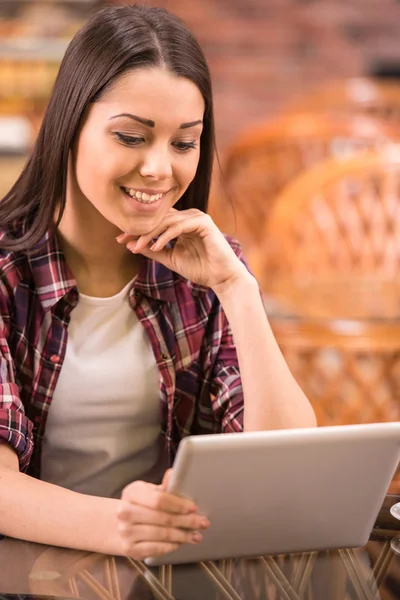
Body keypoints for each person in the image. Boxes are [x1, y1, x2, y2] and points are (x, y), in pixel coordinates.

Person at [0, 5, 316, 561]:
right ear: (68, 124)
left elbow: (286, 465)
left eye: (183, 143)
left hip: (166, 575)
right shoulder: (7, 274)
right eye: (130, 136)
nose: (158, 170)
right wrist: (123, 527)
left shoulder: (205, 274)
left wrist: (236, 290)